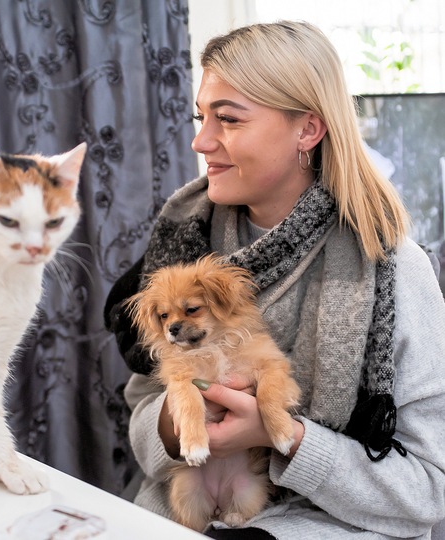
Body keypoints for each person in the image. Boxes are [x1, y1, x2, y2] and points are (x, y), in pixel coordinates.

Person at [104, 20, 445, 540]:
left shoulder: (392, 266)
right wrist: (177, 427)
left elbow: (428, 489)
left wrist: (286, 438)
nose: (201, 140)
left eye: (229, 120)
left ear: (307, 129)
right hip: (182, 511)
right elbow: (141, 406)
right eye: (201, 117)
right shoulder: (182, 239)